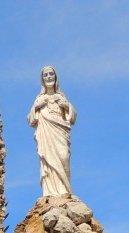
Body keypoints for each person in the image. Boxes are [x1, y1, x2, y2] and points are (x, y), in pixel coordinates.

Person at [27, 65, 76, 198]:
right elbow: (30, 120)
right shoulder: (39, 99)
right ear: (42, 80)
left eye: (51, 74)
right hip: (46, 134)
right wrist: (36, 106)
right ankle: (51, 192)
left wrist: (66, 106)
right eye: (45, 75)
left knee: (64, 156)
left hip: (60, 132)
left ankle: (65, 189)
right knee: (48, 159)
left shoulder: (61, 96)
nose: (49, 77)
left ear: (55, 77)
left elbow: (73, 116)